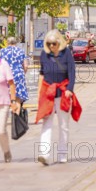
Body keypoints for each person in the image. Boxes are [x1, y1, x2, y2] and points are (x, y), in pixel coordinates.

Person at [36, 29, 78, 165]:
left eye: (53, 43)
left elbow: (72, 72)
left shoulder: (66, 54)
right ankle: (44, 154)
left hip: (62, 92)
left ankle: (62, 154)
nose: (51, 46)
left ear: (59, 42)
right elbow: (42, 73)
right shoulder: (44, 54)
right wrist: (39, 93)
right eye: (49, 44)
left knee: (63, 125)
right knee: (46, 123)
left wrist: (70, 89)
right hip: (48, 93)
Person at [0, 37, 29, 103]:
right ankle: (16, 112)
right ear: (16, 43)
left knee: (6, 95)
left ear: (7, 43)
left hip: (6, 75)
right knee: (18, 97)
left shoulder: (2, 51)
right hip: (18, 74)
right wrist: (23, 73)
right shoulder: (21, 51)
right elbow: (26, 66)